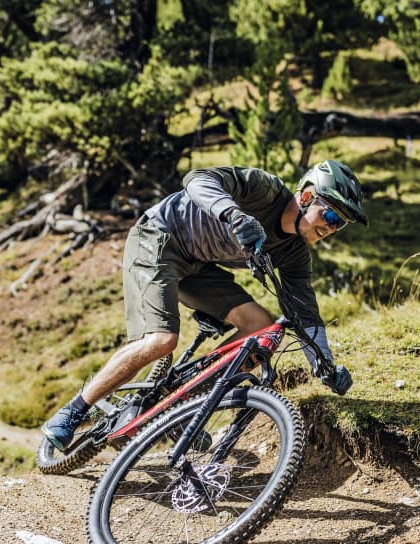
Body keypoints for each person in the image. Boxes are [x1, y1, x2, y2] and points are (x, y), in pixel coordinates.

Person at [41, 159, 368, 452]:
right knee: (161, 341)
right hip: (158, 238)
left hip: (198, 268)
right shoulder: (263, 189)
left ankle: (184, 407)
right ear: (307, 196)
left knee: (263, 330)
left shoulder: (295, 253)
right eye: (329, 215)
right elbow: (196, 179)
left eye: (340, 224)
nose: (330, 228)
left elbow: (306, 313)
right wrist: (235, 214)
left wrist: (323, 364)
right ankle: (74, 410)